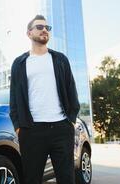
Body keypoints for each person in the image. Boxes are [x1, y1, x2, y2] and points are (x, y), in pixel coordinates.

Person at [9, 14, 80, 184]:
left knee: (66, 179)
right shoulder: (19, 63)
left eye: (47, 28)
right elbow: (14, 99)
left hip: (61, 128)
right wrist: (19, 127)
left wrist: (71, 120)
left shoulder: (60, 59)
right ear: (29, 33)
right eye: (39, 27)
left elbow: (72, 91)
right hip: (32, 131)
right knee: (31, 179)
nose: (44, 30)